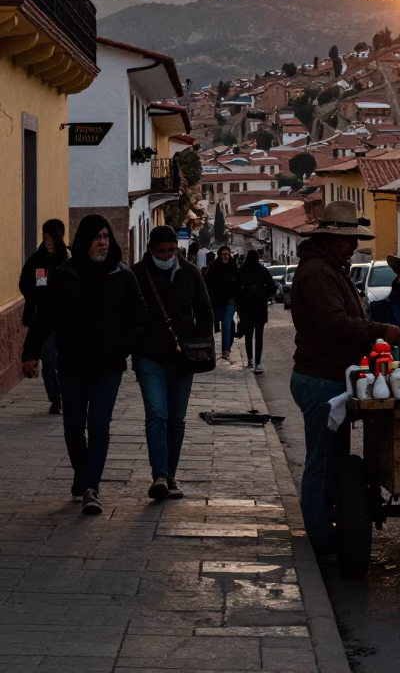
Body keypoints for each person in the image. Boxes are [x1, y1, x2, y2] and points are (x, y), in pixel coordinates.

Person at [290, 201, 400, 559]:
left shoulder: (328, 269)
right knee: (323, 462)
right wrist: (380, 330)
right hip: (321, 379)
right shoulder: (318, 274)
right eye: (348, 239)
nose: (354, 245)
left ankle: (326, 530)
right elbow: (334, 325)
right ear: (330, 239)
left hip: (329, 377)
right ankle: (321, 539)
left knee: (332, 460)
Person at [21, 214, 147, 516]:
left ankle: (91, 486)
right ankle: (82, 474)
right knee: (73, 428)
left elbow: (140, 316)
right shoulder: (65, 275)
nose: (102, 242)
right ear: (83, 241)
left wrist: (123, 344)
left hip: (108, 366)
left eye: (105, 236)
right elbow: (45, 315)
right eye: (96, 237)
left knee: (100, 425)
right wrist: (30, 353)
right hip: (73, 365)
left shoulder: (123, 275)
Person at [132, 225, 215, 501]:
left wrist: (200, 343)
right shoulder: (137, 274)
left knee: (176, 419)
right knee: (157, 413)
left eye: (171, 251)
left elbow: (205, 312)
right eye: (161, 252)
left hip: (183, 360)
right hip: (149, 356)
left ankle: (170, 475)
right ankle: (158, 475)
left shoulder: (189, 273)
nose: (167, 256)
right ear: (150, 251)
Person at [19, 219, 68, 415]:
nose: (48, 242)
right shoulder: (36, 260)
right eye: (45, 237)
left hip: (65, 319)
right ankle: (55, 397)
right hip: (43, 317)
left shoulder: (67, 260)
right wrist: (37, 296)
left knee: (63, 359)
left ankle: (67, 394)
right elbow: (24, 283)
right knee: (48, 357)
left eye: (51, 238)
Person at [236, 250, 276, 373]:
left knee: (248, 335)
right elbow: (272, 287)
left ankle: (250, 360)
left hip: (246, 308)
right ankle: (258, 363)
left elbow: (236, 288)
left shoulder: (242, 270)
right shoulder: (262, 270)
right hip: (259, 307)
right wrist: (264, 295)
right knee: (259, 336)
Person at [204, 244, 238, 361]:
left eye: (227, 254)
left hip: (230, 301)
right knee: (217, 324)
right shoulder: (214, 267)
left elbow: (237, 283)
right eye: (224, 254)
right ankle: (212, 348)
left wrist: (235, 298)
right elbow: (207, 283)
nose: (226, 256)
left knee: (228, 324)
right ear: (219, 255)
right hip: (216, 302)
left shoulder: (233, 266)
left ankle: (226, 350)